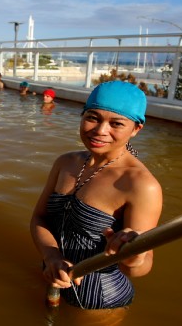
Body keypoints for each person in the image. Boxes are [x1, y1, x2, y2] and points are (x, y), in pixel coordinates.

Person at [30, 81, 162, 310]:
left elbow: (143, 266)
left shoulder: (140, 184)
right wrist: (51, 257)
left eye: (116, 123)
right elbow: (39, 218)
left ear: (136, 129)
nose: (100, 130)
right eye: (93, 117)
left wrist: (132, 256)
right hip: (52, 276)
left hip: (100, 299)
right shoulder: (66, 162)